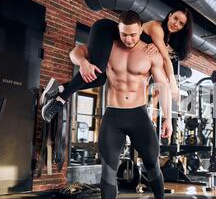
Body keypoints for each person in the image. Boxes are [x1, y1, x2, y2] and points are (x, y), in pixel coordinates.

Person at [82, 10, 174, 199]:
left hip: (139, 116)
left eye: (133, 34)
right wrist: (83, 61)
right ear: (118, 30)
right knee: (108, 170)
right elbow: (77, 51)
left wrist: (167, 119)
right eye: (124, 34)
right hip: (113, 115)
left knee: (153, 165)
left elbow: (162, 86)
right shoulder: (107, 47)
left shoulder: (150, 53)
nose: (129, 39)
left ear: (141, 30)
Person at [40, 9, 193, 123]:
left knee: (99, 80)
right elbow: (166, 59)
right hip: (104, 29)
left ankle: (59, 89)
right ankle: (61, 99)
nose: (176, 24)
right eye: (175, 18)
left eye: (181, 23)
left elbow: (164, 57)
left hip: (110, 38)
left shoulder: (164, 38)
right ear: (170, 15)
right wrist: (173, 84)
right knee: (98, 69)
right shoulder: (156, 27)